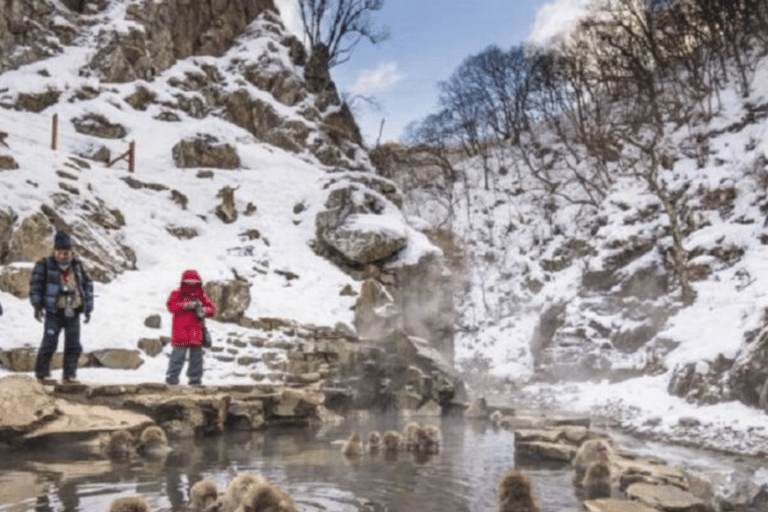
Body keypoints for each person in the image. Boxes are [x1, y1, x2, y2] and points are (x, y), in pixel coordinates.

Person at [29, 231, 93, 384]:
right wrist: (37, 306)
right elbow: (35, 287)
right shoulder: (44, 265)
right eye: (60, 252)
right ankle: (42, 374)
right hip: (54, 311)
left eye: (67, 252)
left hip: (73, 310)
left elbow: (87, 286)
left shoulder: (77, 266)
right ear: (55, 251)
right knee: (49, 343)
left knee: (74, 345)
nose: (64, 255)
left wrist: (88, 308)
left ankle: (69, 375)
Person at [165, 269, 215, 386]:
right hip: (182, 333)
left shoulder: (202, 297)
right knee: (177, 358)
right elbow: (171, 306)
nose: (191, 285)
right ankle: (172, 379)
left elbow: (211, 309)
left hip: (195, 334)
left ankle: (195, 380)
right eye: (189, 283)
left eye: (193, 283)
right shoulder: (177, 294)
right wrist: (186, 306)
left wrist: (202, 310)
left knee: (196, 359)